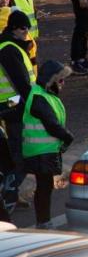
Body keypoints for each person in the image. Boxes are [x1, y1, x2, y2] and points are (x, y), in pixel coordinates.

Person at [22, 60, 73, 228]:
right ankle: (43, 222)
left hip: (43, 150)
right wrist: (67, 137)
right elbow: (52, 125)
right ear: (51, 81)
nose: (63, 83)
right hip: (41, 151)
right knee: (44, 188)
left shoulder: (43, 94)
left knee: (44, 187)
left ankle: (43, 220)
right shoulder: (40, 98)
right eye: (60, 80)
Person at [0, 11, 37, 207]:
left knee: (16, 155)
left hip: (11, 107)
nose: (26, 32)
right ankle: (9, 193)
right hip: (14, 109)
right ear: (14, 28)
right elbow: (22, 84)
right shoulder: (9, 49)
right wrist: (28, 103)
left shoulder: (11, 46)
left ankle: (12, 192)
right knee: (21, 157)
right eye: (24, 28)